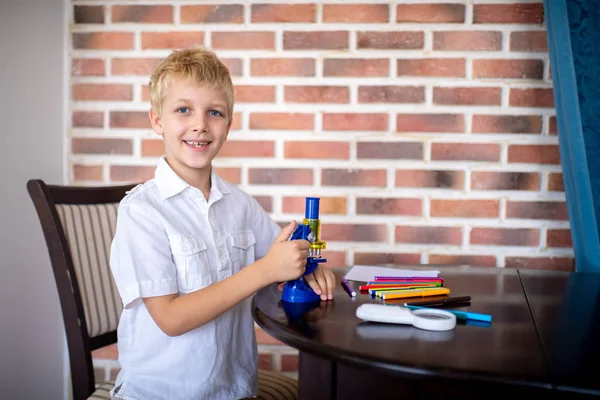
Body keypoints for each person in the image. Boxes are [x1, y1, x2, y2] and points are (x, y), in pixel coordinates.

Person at [108, 47, 336, 400]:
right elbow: (170, 319)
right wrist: (265, 270)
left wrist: (307, 268)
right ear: (157, 120)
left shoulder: (240, 205)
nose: (200, 124)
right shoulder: (141, 211)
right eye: (183, 109)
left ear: (227, 127)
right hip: (160, 394)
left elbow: (281, 257)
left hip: (233, 391)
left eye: (214, 112)